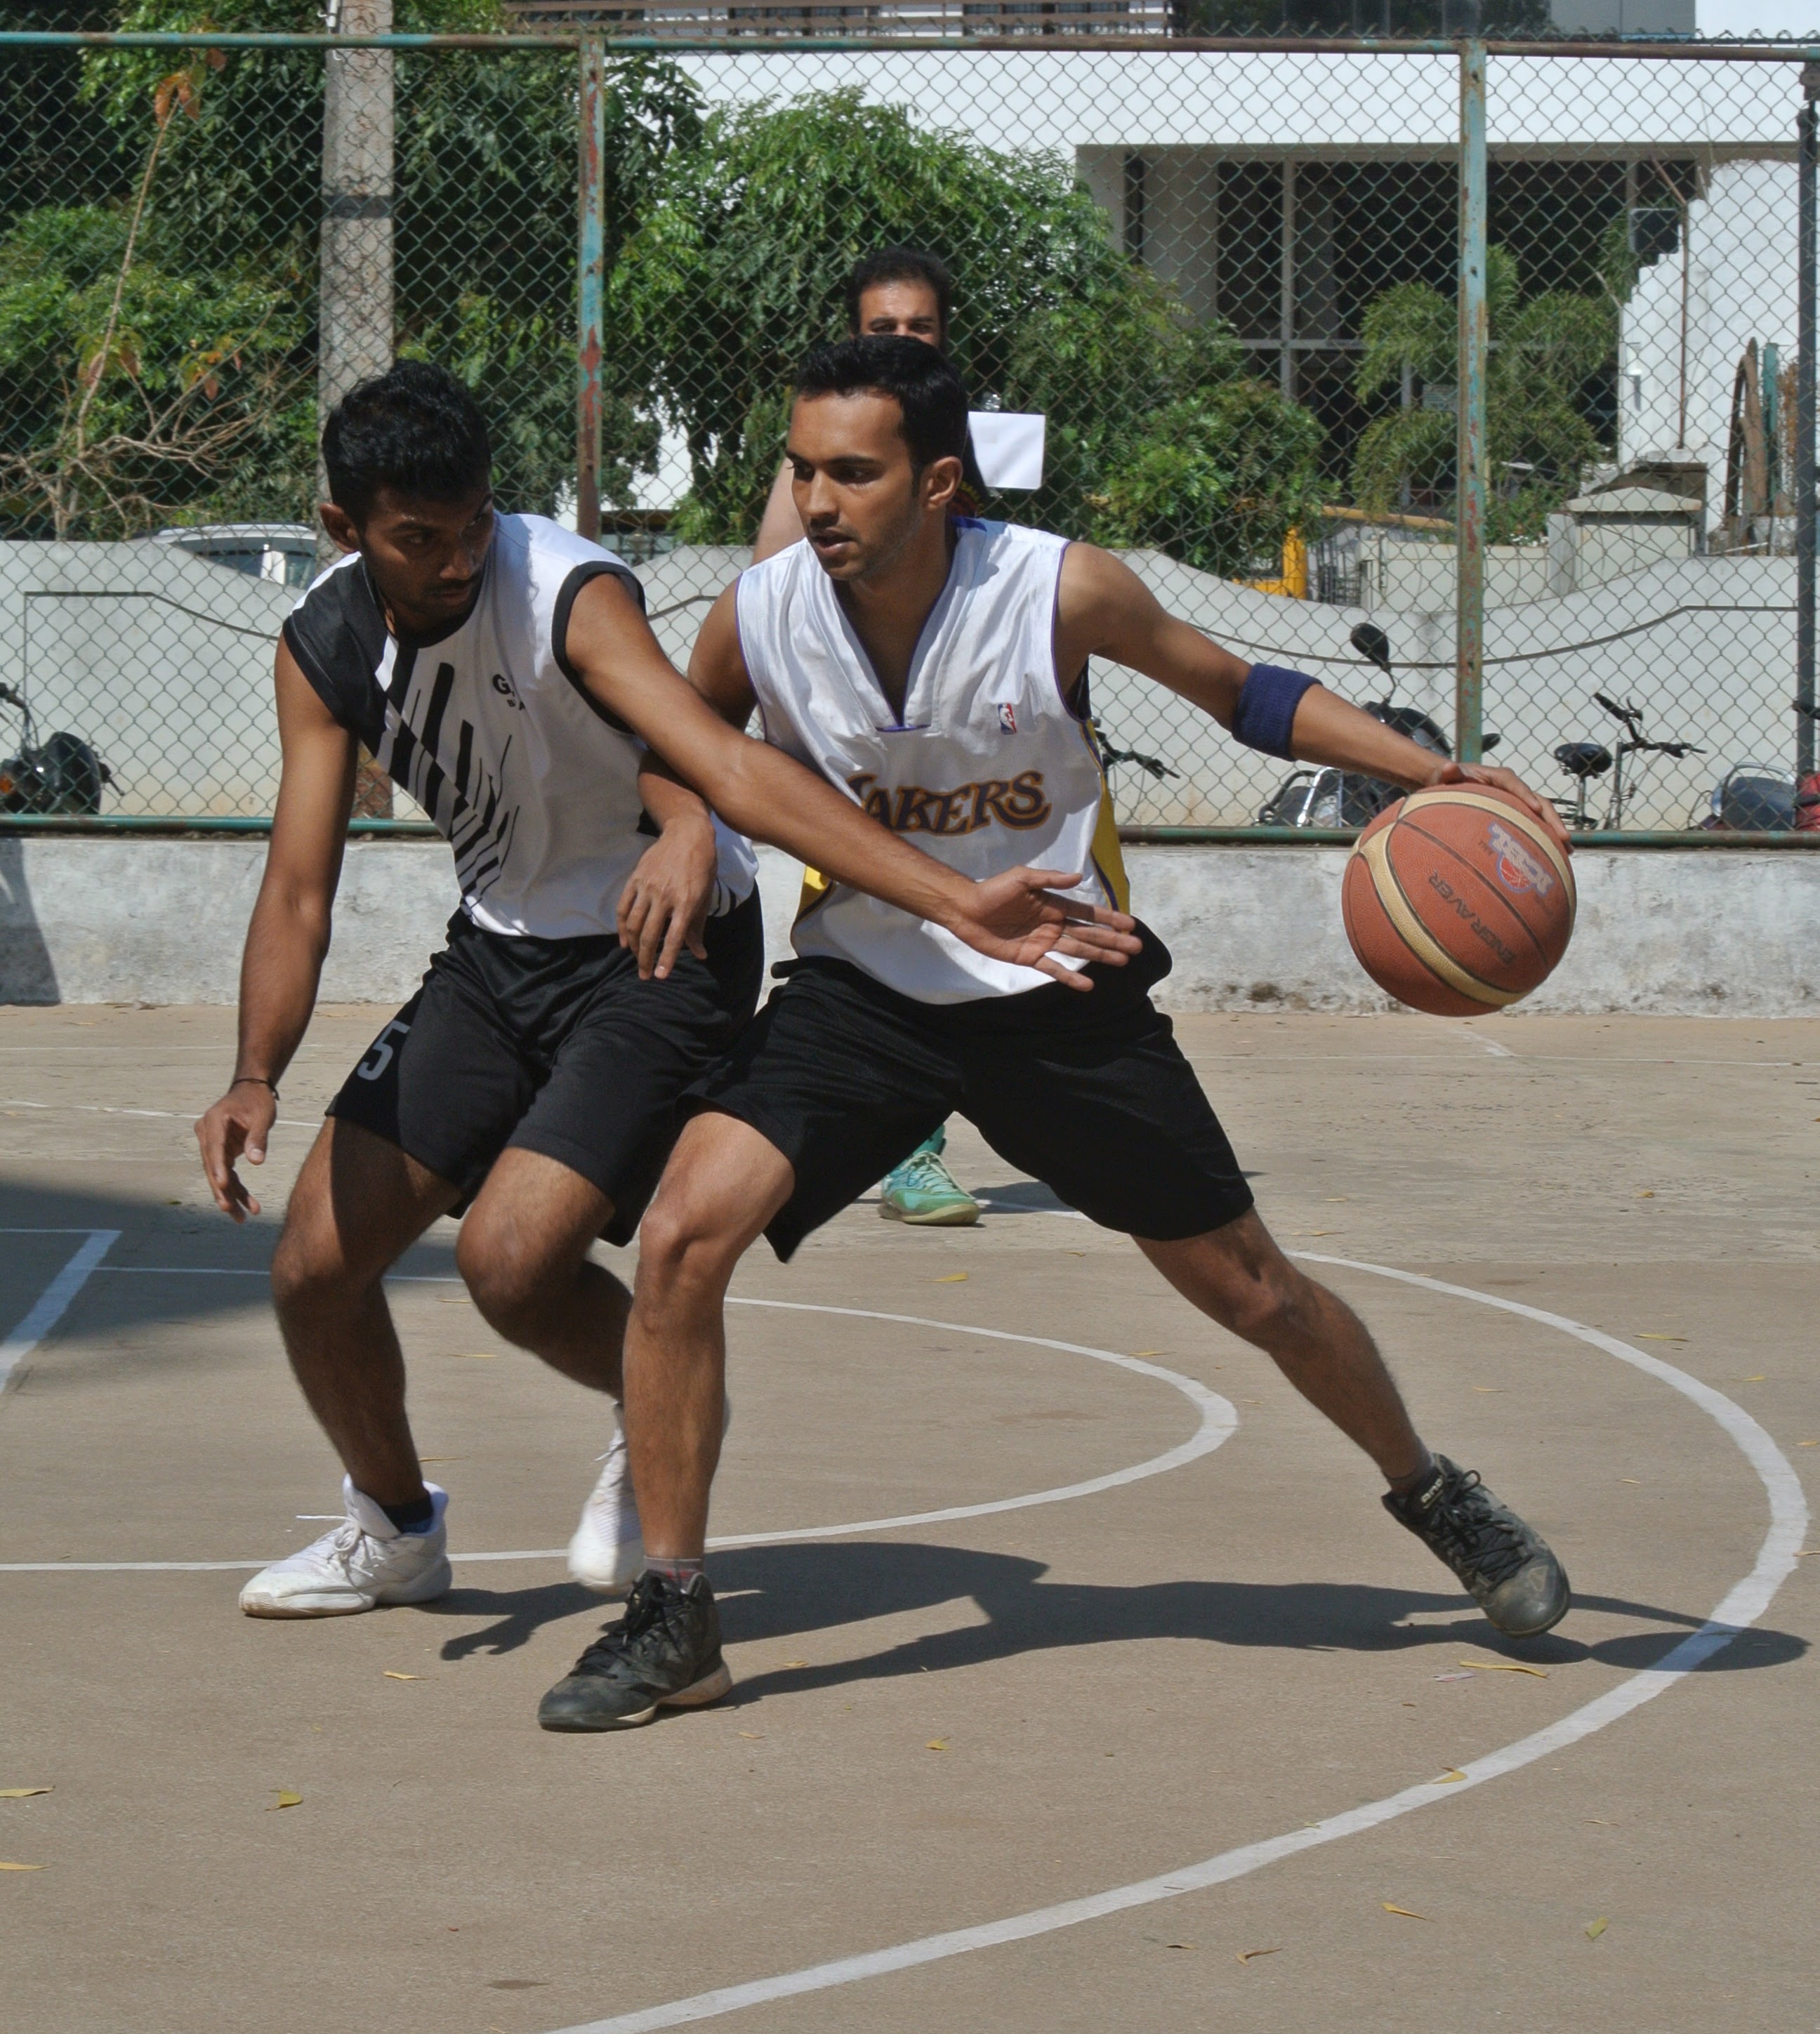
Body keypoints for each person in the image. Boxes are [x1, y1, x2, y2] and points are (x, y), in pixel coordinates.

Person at [533, 334, 1576, 1733]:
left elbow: (1242, 692)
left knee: (1257, 1294)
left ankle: (1435, 1491)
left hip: (1059, 985)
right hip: (867, 990)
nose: (818, 500)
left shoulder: (1057, 588)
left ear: (938, 482)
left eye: (853, 473)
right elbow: (679, 744)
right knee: (678, 1237)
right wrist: (676, 829)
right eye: (803, 470)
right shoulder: (761, 612)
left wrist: (1429, 771)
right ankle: (676, 1614)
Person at [194, 361, 1138, 1625]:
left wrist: (905, 886)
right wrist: (254, 1071)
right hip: (501, 949)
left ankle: (662, 1403)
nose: (458, 559)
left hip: (665, 946)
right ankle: (396, 1528)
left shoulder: (566, 593)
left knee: (511, 1264)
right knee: (313, 1269)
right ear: (343, 528)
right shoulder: (325, 645)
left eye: (473, 523)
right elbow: (300, 885)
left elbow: (716, 756)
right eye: (420, 538)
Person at [756, 244, 984, 1229]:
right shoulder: (825, 468)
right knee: (884, 940)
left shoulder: (963, 451)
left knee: (991, 940)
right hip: (864, 759)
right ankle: (908, 1151)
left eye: (918, 326)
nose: (901, 339)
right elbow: (772, 588)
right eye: (881, 327)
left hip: (976, 752)